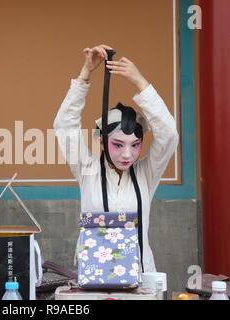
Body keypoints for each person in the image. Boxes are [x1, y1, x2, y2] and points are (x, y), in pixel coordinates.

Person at [53, 44, 179, 272]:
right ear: (101, 142)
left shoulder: (146, 173)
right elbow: (64, 125)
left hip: (140, 276)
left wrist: (141, 83)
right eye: (118, 144)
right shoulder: (87, 169)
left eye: (135, 145)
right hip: (94, 277)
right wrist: (85, 74)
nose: (127, 154)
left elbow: (169, 134)